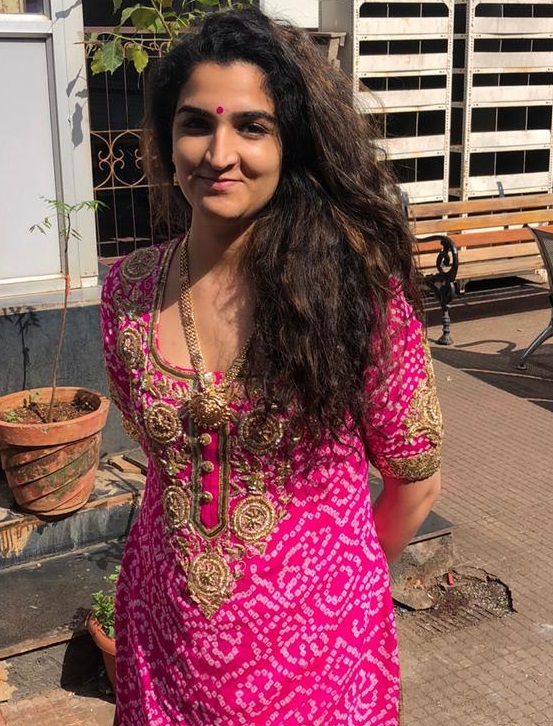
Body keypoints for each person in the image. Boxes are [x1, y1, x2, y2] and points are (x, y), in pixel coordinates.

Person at [101, 7, 442, 725]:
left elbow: (414, 481)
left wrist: (335, 588)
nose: (218, 152)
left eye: (251, 127)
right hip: (164, 644)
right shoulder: (128, 292)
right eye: (195, 124)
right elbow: (164, 459)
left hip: (320, 660)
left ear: (292, 142)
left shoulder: (355, 293)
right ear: (168, 139)